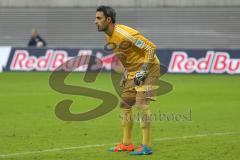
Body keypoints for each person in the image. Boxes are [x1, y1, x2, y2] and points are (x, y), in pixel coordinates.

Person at [95, 6, 160, 155]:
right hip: (132, 70)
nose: (95, 21)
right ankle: (126, 144)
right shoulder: (108, 36)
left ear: (108, 19)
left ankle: (146, 146)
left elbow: (151, 49)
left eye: (99, 18)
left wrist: (143, 71)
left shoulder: (125, 34)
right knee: (125, 104)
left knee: (141, 103)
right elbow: (124, 56)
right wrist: (126, 73)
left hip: (148, 66)